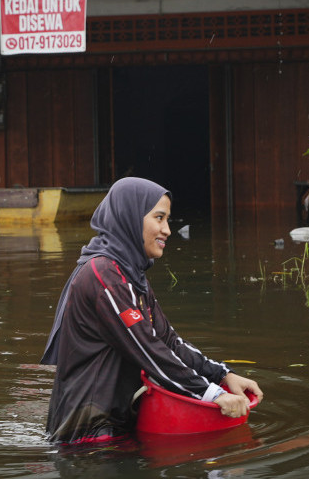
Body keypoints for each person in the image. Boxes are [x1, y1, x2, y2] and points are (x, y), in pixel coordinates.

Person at [41, 177, 262, 443]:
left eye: (167, 219)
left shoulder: (131, 276)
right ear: (130, 217)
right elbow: (148, 349)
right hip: (86, 439)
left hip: (118, 429)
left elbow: (169, 343)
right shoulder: (102, 275)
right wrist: (213, 394)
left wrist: (224, 375)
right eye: (159, 218)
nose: (167, 229)